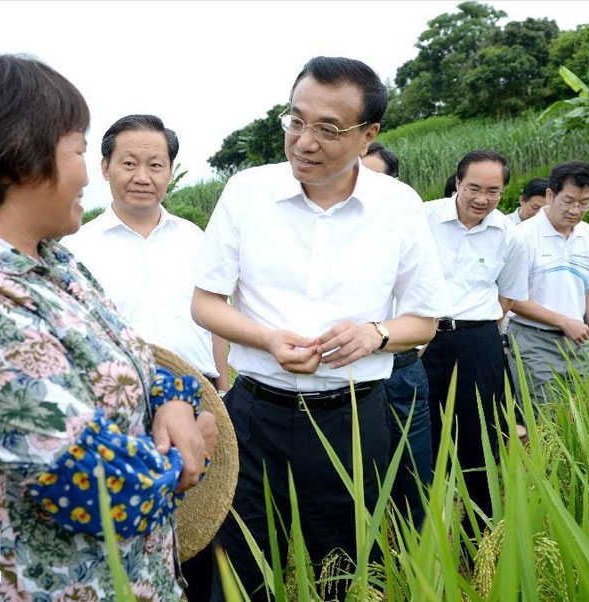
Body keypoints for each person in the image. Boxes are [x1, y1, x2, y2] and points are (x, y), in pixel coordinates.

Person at [0, 53, 217, 601]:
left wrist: (174, 402)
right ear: (15, 157)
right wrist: (187, 451)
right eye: (78, 150)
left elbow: (141, 363)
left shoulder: (54, 263)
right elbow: (96, 485)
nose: (90, 173)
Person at [191, 56, 447, 600]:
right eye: (296, 120)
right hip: (256, 416)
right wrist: (265, 338)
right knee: (238, 573)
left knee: (348, 573)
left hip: (354, 420)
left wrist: (374, 335)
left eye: (328, 129)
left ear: (367, 135)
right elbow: (206, 303)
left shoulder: (398, 207)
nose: (304, 141)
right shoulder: (247, 191)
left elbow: (424, 320)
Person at [61, 114, 228, 601]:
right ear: (105, 166)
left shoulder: (196, 238)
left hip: (200, 405)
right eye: (129, 163)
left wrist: (221, 385)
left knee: (202, 531)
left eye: (156, 164)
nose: (143, 176)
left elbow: (215, 313)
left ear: (171, 171)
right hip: (121, 412)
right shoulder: (77, 247)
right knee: (130, 539)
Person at [421, 150, 528, 538]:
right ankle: (418, 532)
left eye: (494, 191)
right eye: (474, 188)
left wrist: (474, 329)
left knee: (478, 437)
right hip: (421, 341)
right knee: (421, 431)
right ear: (458, 182)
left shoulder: (511, 236)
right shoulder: (422, 217)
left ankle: (479, 538)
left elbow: (507, 297)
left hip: (477, 340)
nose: (482, 199)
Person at [362, 147, 431, 529]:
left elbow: (426, 311)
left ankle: (416, 562)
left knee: (413, 476)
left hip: (400, 372)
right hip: (344, 379)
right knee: (356, 481)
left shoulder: (408, 230)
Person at [506, 161, 589, 407]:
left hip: (578, 342)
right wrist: (564, 322)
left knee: (584, 414)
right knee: (545, 416)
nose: (576, 209)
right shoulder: (523, 235)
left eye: (584, 203)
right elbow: (512, 299)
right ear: (550, 195)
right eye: (569, 201)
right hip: (533, 341)